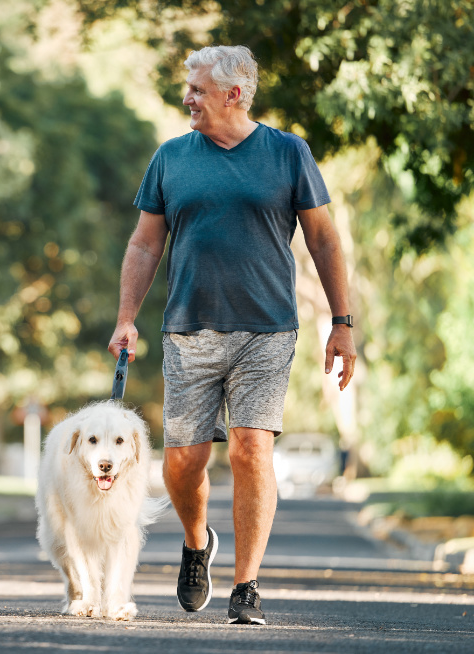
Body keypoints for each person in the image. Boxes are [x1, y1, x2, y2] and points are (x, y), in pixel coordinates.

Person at [108, 45, 356, 625]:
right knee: (182, 464)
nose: (187, 97)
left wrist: (342, 323)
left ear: (233, 94)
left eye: (196, 89)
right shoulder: (171, 157)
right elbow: (145, 244)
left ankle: (247, 586)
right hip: (188, 328)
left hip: (267, 328)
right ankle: (198, 543)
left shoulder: (288, 153)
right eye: (188, 88)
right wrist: (126, 317)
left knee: (251, 448)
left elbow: (323, 239)